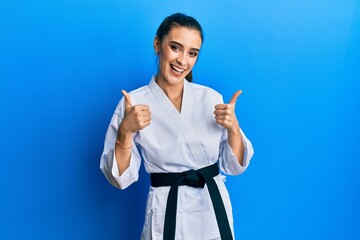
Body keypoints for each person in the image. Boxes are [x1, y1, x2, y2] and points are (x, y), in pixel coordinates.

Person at [100, 13, 254, 240]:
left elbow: (235, 167)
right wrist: (126, 132)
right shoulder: (133, 104)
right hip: (167, 209)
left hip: (211, 208)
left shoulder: (210, 98)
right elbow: (120, 179)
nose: (183, 61)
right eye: (175, 47)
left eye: (192, 53)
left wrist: (233, 128)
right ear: (157, 44)